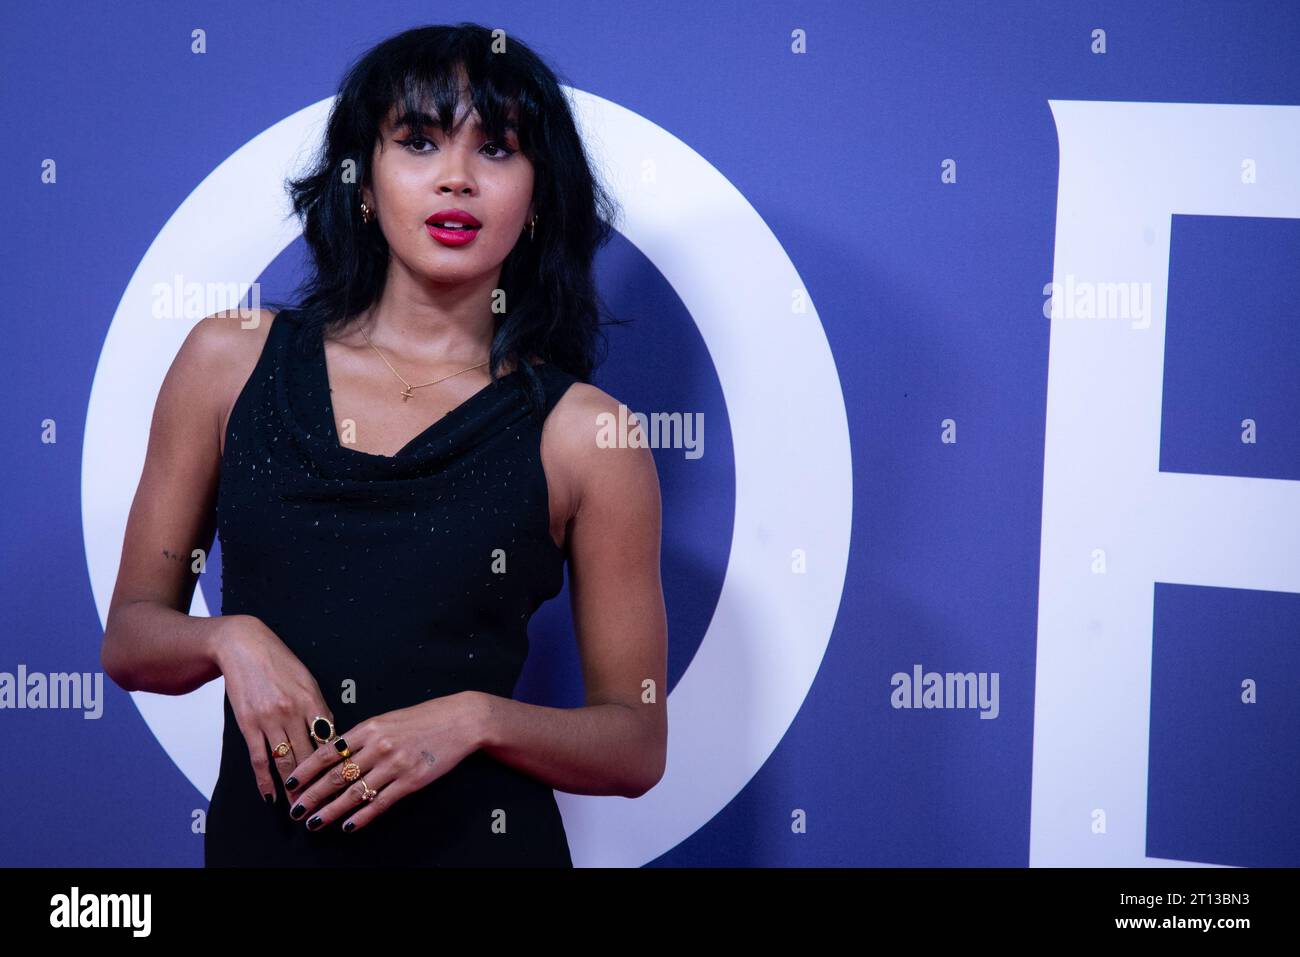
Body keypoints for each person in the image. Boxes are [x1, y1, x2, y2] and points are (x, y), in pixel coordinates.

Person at [100, 23, 667, 867]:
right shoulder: (230, 359)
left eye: (498, 150)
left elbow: (634, 744)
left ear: (540, 195)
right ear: (362, 180)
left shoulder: (588, 434)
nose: (457, 178)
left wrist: (475, 718)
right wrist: (232, 638)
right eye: (419, 141)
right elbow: (132, 638)